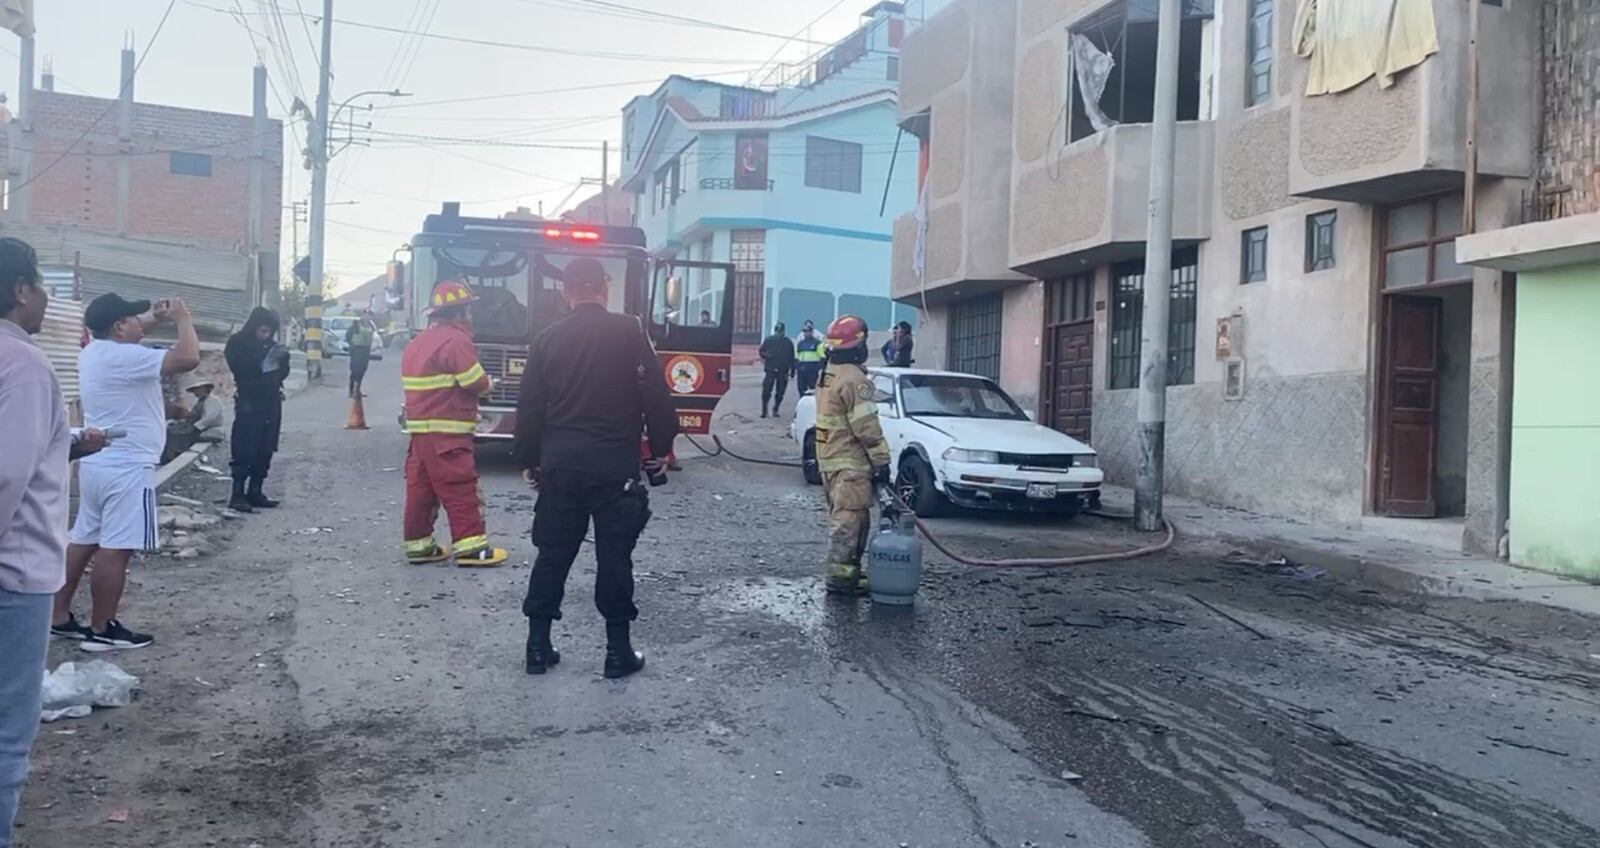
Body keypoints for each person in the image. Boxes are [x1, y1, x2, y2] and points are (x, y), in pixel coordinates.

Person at [515, 257, 678, 680]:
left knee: (552, 554)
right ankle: (617, 652)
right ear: (604, 289)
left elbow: (530, 406)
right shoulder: (628, 331)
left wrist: (530, 460)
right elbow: (655, 395)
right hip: (613, 468)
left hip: (562, 465)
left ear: (567, 293)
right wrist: (661, 446)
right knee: (614, 557)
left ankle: (537, 646)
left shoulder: (546, 340)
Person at [0, 238, 106, 846]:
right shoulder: (25, 364)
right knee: (8, 737)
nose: (45, 299)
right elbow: (8, 473)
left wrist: (65, 445)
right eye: (40, 286)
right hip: (14, 577)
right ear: (19, 290)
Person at [53, 292, 200, 651]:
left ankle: (57, 616)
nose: (141, 324)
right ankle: (103, 628)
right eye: (133, 320)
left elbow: (131, 328)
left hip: (97, 462)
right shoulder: (129, 356)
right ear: (119, 327)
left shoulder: (93, 352)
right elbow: (188, 357)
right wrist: (182, 318)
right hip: (129, 466)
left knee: (84, 538)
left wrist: (155, 315)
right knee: (116, 548)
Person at [400, 280, 508, 567]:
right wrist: (490, 384)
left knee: (421, 489)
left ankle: (419, 546)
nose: (471, 316)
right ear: (460, 313)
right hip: (448, 431)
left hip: (420, 431)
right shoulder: (456, 340)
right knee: (460, 487)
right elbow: (473, 381)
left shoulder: (418, 342)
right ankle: (472, 548)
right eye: (469, 310)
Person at [814, 315, 891, 596]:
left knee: (849, 520)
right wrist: (882, 461)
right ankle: (841, 580)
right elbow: (867, 427)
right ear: (858, 343)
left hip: (830, 461)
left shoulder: (827, 374)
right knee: (850, 523)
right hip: (850, 464)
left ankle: (850, 574)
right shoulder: (855, 380)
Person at [225, 308, 291, 513]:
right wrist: (262, 360)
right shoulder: (238, 343)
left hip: (271, 402)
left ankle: (256, 490)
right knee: (245, 447)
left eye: (269, 332)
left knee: (265, 447)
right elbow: (240, 368)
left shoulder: (271, 347)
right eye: (263, 331)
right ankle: (237, 494)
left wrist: (282, 360)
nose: (266, 335)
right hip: (249, 402)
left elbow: (281, 374)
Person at [758, 321, 795, 419]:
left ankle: (776, 408)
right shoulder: (769, 340)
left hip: (783, 370)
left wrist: (793, 371)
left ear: (783, 332)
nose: (779, 334)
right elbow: (761, 351)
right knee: (766, 391)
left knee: (780, 391)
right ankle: (764, 410)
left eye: (780, 332)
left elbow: (792, 357)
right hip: (770, 369)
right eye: (777, 331)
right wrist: (767, 355)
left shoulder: (788, 342)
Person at [344, 309, 377, 398]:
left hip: (365, 350)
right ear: (362, 315)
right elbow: (348, 336)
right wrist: (352, 345)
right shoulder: (356, 325)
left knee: (363, 369)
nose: (367, 317)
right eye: (365, 315)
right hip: (356, 350)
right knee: (355, 370)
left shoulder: (371, 326)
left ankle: (358, 390)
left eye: (369, 315)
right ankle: (351, 390)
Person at [794, 319, 824, 395]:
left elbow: (822, 356)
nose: (806, 333)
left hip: (812, 370)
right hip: (802, 370)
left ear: (811, 332)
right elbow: (797, 356)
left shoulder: (817, 343)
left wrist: (821, 368)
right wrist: (796, 367)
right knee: (801, 388)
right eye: (804, 331)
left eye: (807, 331)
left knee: (813, 389)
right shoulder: (800, 343)